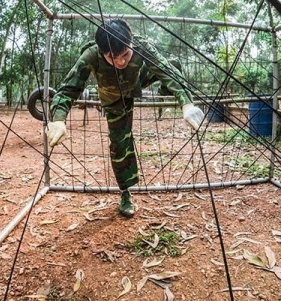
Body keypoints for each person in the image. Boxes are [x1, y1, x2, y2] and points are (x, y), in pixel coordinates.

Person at [45, 19, 204, 218]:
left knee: (172, 65)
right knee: (120, 145)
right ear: (103, 52)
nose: (121, 61)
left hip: (136, 82)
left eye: (126, 54)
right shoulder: (91, 55)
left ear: (131, 44)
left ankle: (165, 90)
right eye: (113, 57)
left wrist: (187, 103)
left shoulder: (141, 45)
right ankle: (125, 193)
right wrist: (59, 119)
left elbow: (165, 71)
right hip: (114, 101)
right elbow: (68, 88)